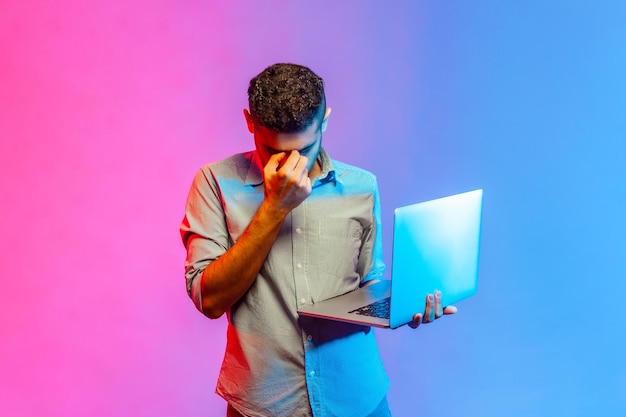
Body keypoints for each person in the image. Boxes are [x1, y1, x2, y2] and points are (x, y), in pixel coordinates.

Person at [180, 63, 456, 417]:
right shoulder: (215, 183)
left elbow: (370, 280)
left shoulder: (361, 186)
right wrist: (273, 208)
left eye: (304, 149)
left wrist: (406, 305)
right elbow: (209, 299)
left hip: (358, 397)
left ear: (324, 121)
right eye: (273, 151)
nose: (290, 164)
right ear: (250, 122)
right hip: (264, 404)